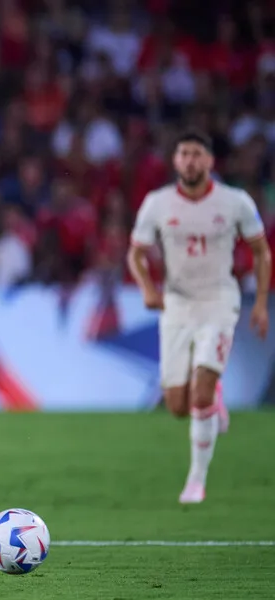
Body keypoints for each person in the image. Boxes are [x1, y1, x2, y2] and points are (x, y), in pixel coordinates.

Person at [127, 129, 271, 504]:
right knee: (176, 405)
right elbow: (136, 254)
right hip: (177, 304)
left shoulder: (235, 201)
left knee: (201, 392)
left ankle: (196, 480)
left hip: (219, 301)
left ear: (209, 161)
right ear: (176, 161)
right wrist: (146, 288)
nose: (190, 160)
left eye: (197, 154)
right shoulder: (157, 204)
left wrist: (259, 304)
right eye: (184, 154)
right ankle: (212, 395)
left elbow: (261, 252)